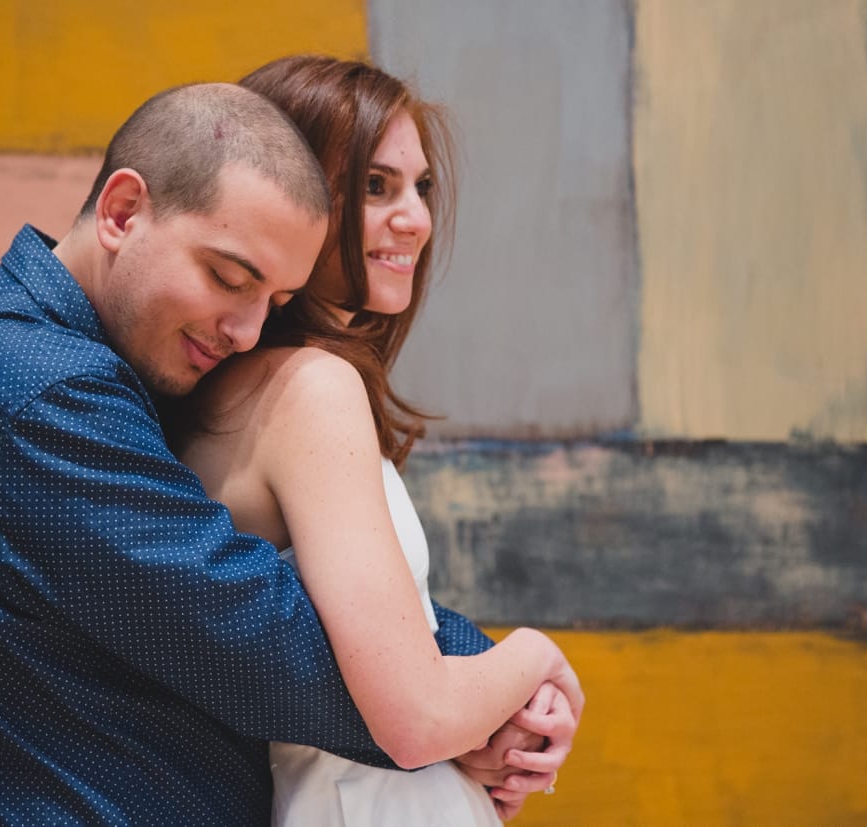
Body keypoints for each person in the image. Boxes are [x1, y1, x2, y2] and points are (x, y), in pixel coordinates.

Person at [0, 81, 577, 825]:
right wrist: (493, 686)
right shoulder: (39, 389)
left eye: (274, 302)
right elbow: (258, 636)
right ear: (121, 212)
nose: (246, 330)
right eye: (228, 278)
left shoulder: (84, 362)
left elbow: (291, 606)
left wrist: (466, 690)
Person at [169, 56, 584, 825]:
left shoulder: (259, 387)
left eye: (421, 186)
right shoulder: (308, 390)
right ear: (290, 194)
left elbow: (386, 677)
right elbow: (413, 716)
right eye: (375, 185)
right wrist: (535, 655)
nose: (416, 219)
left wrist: (485, 723)